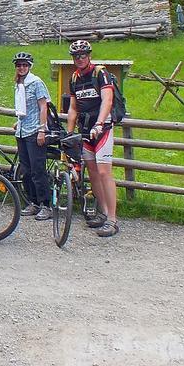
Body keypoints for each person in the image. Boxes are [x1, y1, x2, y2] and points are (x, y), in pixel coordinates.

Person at [66, 40, 119, 237]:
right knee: (93, 173)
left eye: (83, 55)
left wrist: (99, 123)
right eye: (76, 56)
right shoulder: (74, 78)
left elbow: (108, 99)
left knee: (105, 172)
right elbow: (73, 108)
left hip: (102, 129)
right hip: (85, 130)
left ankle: (113, 220)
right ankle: (103, 213)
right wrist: (69, 133)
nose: (79, 58)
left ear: (89, 55)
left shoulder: (100, 73)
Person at [12, 52, 51, 221]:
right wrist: (18, 121)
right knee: (26, 170)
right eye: (19, 65)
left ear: (30, 66)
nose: (21, 68)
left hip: (34, 131)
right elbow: (23, 107)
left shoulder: (36, 82)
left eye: (24, 65)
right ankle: (33, 202)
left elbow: (43, 107)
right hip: (22, 130)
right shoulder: (18, 84)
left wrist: (42, 129)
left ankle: (46, 205)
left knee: (38, 170)